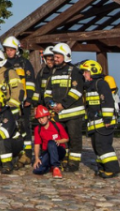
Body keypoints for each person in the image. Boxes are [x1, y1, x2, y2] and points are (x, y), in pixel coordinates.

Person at [44, 43, 85, 172]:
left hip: (73, 113)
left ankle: (73, 163)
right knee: (60, 138)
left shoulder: (75, 71)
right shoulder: (53, 72)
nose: (55, 59)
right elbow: (47, 92)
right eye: (54, 56)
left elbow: (76, 91)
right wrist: (51, 104)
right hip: (58, 113)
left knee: (74, 138)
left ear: (66, 56)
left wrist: (63, 105)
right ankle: (64, 159)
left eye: (58, 57)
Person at [80, 59, 120, 179]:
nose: (83, 74)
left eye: (85, 72)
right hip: (95, 124)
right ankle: (102, 167)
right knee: (97, 146)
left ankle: (112, 169)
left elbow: (107, 102)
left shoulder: (101, 84)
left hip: (104, 123)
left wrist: (107, 120)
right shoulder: (89, 86)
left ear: (93, 71)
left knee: (104, 146)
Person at [1, 37, 37, 165]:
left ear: (16, 49)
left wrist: (29, 98)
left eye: (12, 50)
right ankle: (14, 152)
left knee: (24, 127)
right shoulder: (3, 63)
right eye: (7, 50)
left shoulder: (24, 62)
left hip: (23, 102)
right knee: (10, 127)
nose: (9, 52)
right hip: (8, 102)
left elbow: (31, 81)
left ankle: (27, 154)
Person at [31, 105, 66, 178]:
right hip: (46, 152)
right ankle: (50, 165)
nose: (41, 120)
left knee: (51, 143)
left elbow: (66, 138)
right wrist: (36, 158)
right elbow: (37, 144)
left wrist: (58, 141)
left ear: (48, 117)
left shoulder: (57, 125)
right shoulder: (37, 129)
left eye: (43, 117)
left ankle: (56, 167)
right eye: (39, 118)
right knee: (37, 170)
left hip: (59, 150)